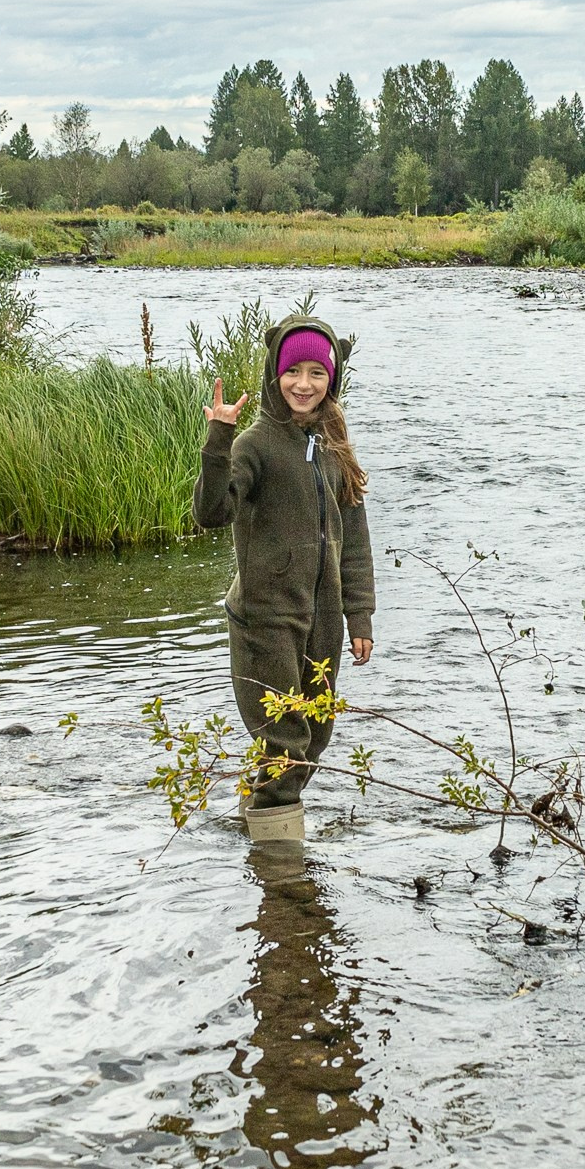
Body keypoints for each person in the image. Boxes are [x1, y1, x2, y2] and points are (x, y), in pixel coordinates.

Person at [193, 315, 377, 843]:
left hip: (323, 618)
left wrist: (358, 613)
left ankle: (261, 833)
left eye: (316, 373)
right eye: (293, 370)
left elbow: (355, 538)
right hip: (265, 615)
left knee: (316, 732)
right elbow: (210, 513)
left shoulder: (334, 442)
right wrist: (219, 439)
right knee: (283, 741)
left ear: (332, 380)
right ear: (275, 374)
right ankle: (281, 872)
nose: (303, 383)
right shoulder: (254, 444)